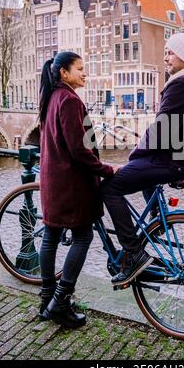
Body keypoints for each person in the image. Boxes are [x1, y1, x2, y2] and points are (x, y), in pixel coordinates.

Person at [101, 33, 184, 287]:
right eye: (164, 51)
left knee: (109, 188)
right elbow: (178, 128)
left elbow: (161, 129)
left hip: (175, 161)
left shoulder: (182, 84)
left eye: (170, 52)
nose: (165, 57)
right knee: (143, 176)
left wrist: (135, 156)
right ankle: (157, 217)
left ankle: (134, 254)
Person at [39, 51, 116, 329]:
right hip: (71, 184)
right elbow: (80, 149)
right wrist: (107, 170)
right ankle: (60, 301)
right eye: (80, 69)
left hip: (52, 179)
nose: (85, 73)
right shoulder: (70, 101)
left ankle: (46, 299)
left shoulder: (51, 97)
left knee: (50, 236)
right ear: (63, 72)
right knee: (83, 236)